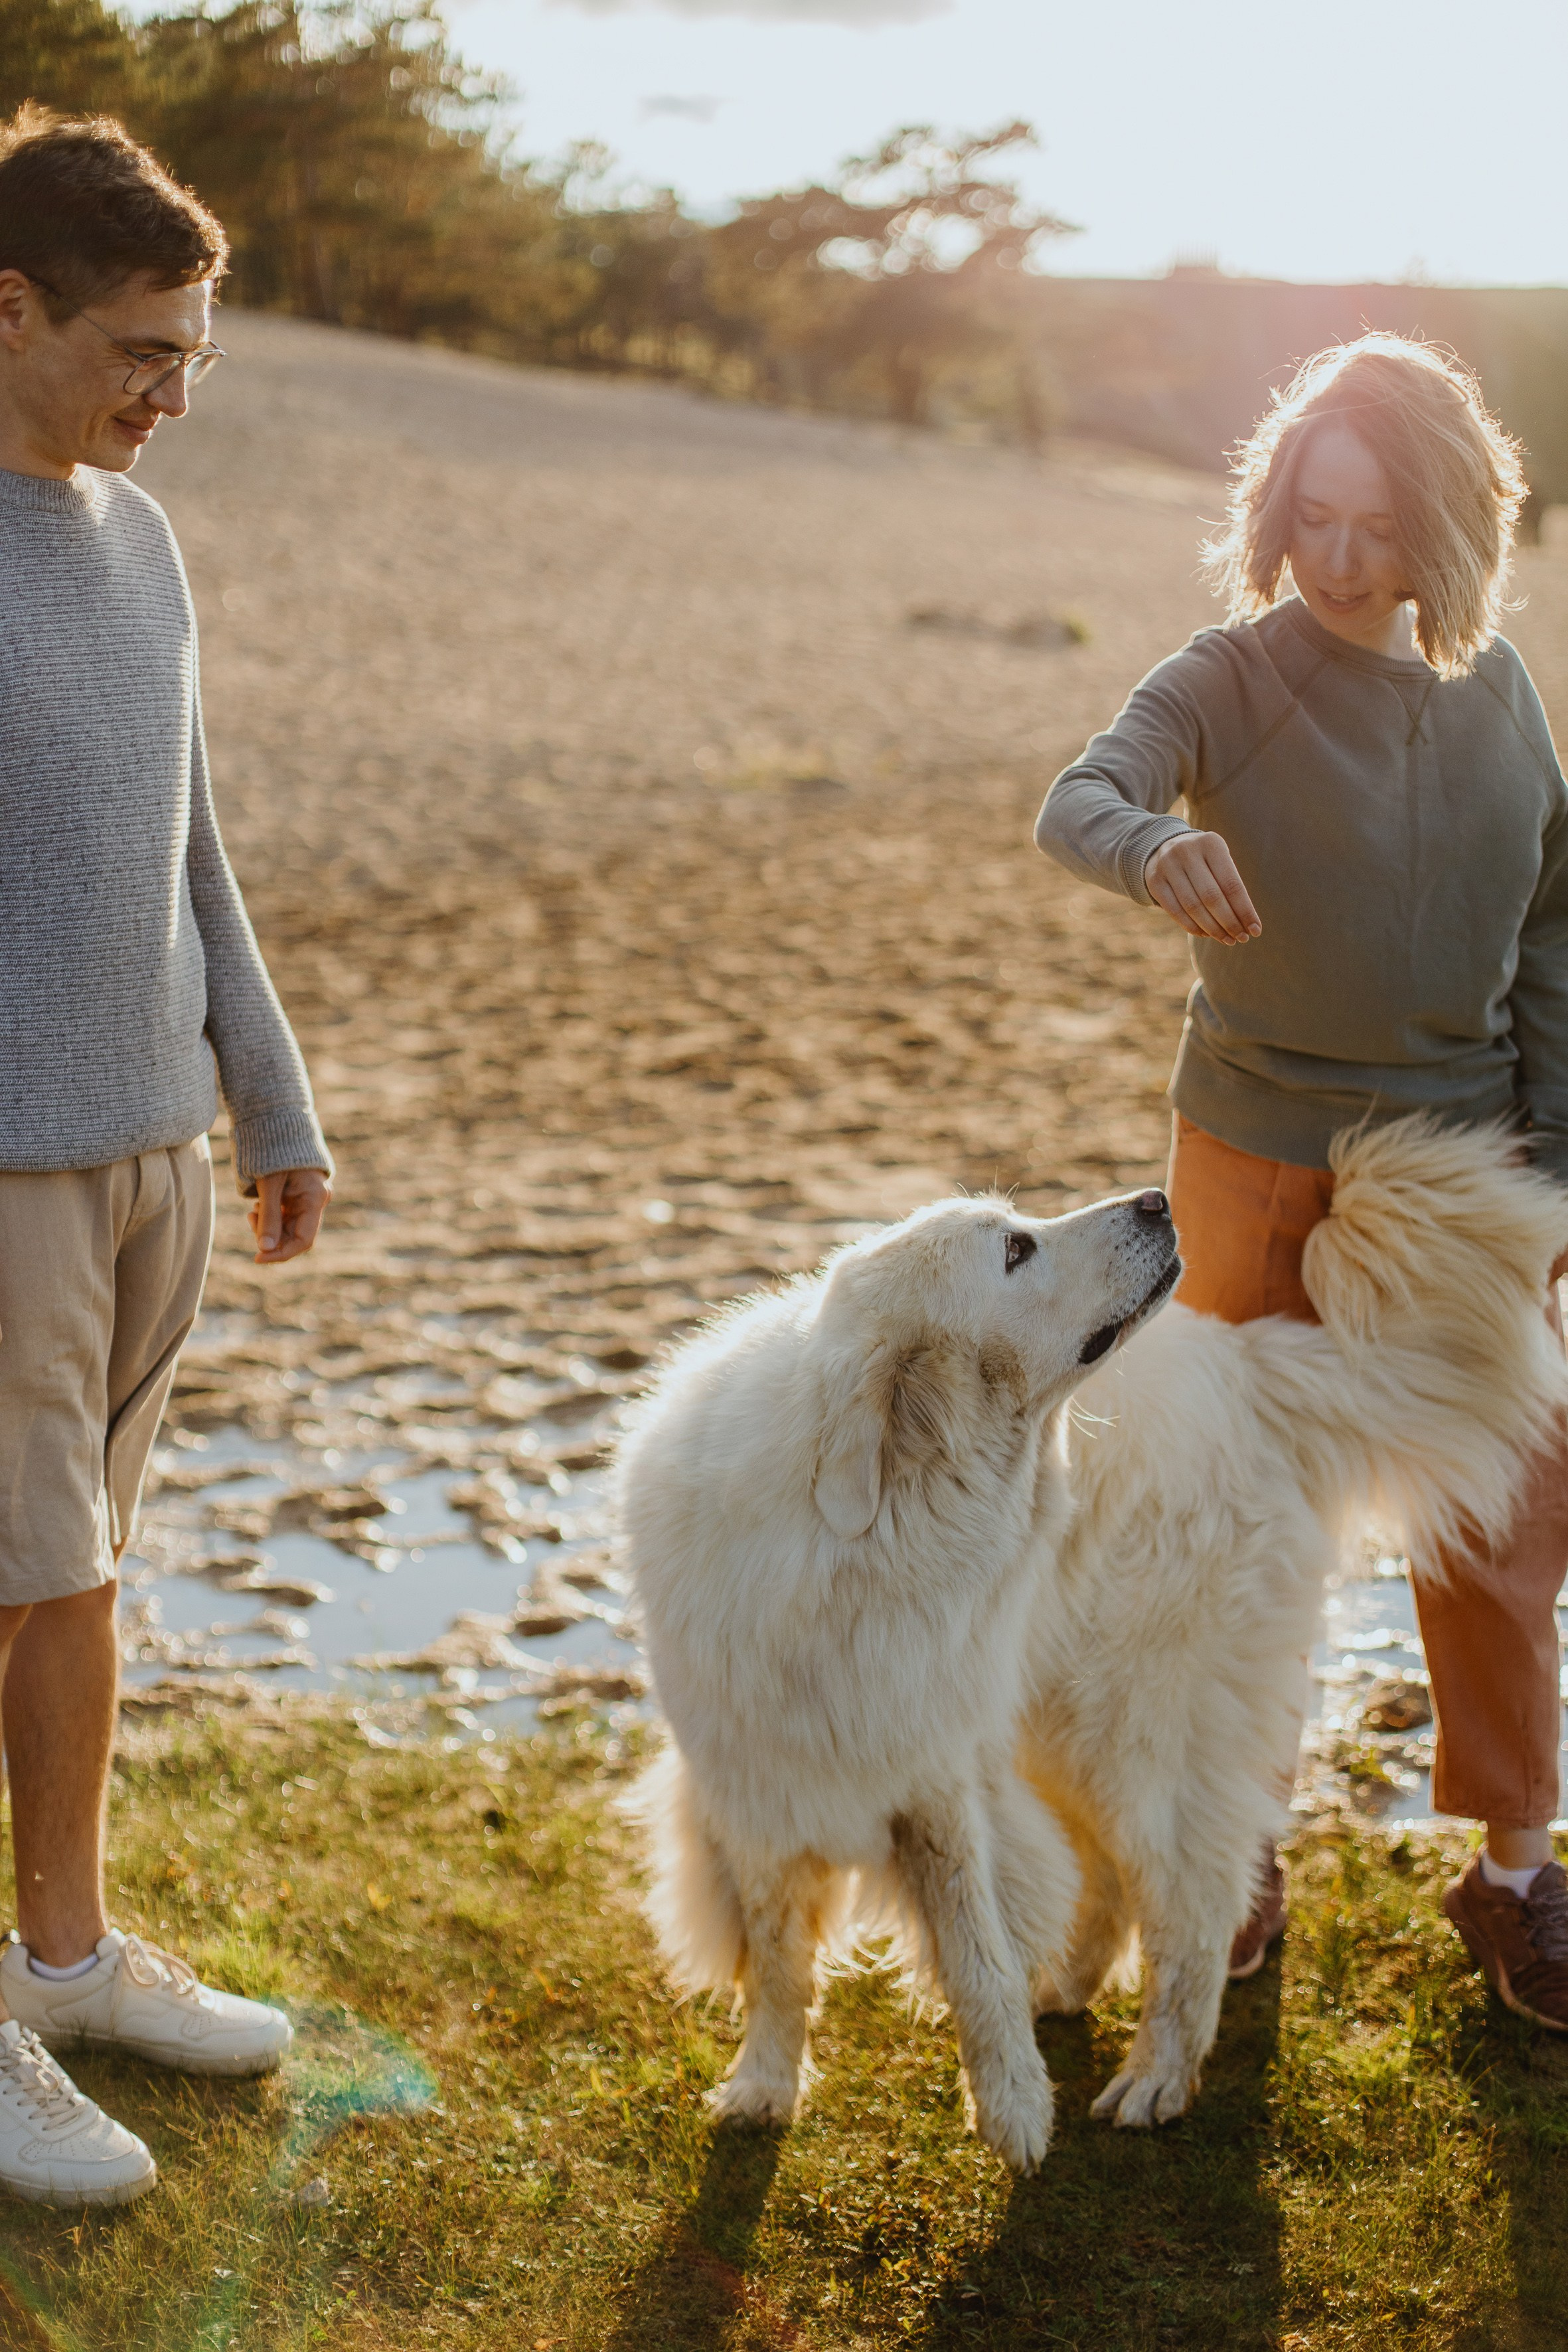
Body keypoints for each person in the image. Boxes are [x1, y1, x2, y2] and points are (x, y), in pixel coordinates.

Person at [1034, 331, 1568, 2027]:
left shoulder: (1498, 691)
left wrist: (1550, 1163)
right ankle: (1227, 1844)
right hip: (1249, 1158)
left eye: (1379, 525)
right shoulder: (1232, 675)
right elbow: (1082, 792)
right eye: (1314, 518)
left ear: (1453, 522)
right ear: (1276, 510)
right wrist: (1153, 844)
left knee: (1495, 1532)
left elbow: (1551, 929)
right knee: (1225, 1522)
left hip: (1460, 1180)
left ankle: (1512, 1873)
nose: (1341, 559)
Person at [0, 106, 333, 2206]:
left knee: (73, 1587)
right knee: (26, 1585)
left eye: (197, 353)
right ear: (6, 304)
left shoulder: (144, 545)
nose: (173, 393)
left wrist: (268, 1099)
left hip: (157, 1164)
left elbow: (190, 843)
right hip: (3, 1178)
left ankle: (61, 1961)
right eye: (143, 345)